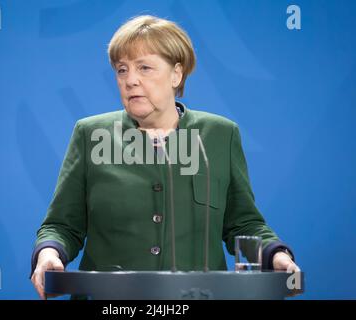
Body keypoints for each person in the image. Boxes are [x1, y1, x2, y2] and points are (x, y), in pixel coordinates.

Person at [30, 15, 300, 299]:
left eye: (144, 68)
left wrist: (274, 254)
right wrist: (49, 253)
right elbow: (62, 225)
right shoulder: (91, 134)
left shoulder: (220, 135)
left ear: (176, 74)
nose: (130, 80)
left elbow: (242, 224)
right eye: (122, 70)